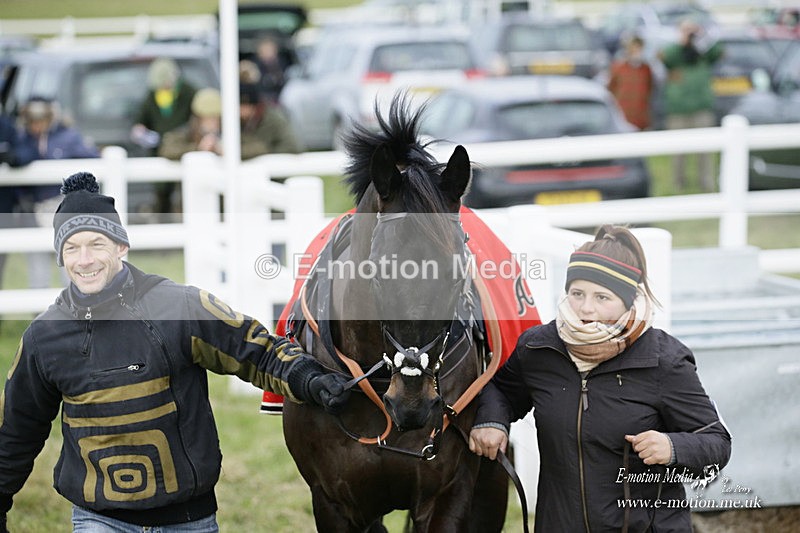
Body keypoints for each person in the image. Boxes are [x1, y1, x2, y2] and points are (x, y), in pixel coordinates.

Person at [0, 172, 350, 532]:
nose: (84, 259)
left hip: (187, 519)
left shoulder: (178, 306)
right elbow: (16, 428)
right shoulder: (44, 337)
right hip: (98, 519)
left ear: (121, 246)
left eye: (96, 244)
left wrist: (309, 378)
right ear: (61, 256)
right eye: (72, 248)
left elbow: (255, 352)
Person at [469, 225, 731, 532]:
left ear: (628, 300)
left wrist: (672, 447)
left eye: (602, 297)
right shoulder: (539, 348)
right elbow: (500, 390)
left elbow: (717, 443)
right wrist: (492, 420)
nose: (586, 308)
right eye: (577, 293)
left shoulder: (664, 360)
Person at [15, 97, 100, 289]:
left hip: (64, 209)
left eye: (41, 118)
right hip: (32, 210)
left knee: (71, 266)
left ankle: (75, 315)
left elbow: (93, 161)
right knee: (38, 271)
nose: (37, 125)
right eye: (32, 120)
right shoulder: (22, 139)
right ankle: (41, 316)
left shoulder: (68, 137)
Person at [659, 19, 724, 192]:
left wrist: (702, 37)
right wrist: (682, 42)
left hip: (701, 108)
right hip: (678, 109)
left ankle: (707, 182)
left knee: (705, 150)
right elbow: (665, 58)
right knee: (678, 150)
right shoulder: (675, 52)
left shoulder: (702, 53)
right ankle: (678, 183)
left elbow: (719, 52)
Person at [159, 84, 300, 161]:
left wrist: (224, 150)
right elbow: (167, 149)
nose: (211, 122)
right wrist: (198, 149)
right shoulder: (188, 133)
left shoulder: (231, 132)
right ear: (197, 118)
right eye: (206, 118)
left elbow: (259, 147)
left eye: (215, 117)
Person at [131, 57, 198, 219]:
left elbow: (196, 119)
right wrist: (141, 132)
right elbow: (141, 120)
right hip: (159, 150)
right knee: (161, 193)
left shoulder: (189, 93)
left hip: (183, 149)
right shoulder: (152, 96)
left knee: (187, 192)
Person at [607, 35, 654, 131]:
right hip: (624, 118)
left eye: (639, 48)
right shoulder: (619, 68)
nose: (636, 51)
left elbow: (649, 88)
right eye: (633, 48)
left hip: (641, 117)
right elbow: (611, 88)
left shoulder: (646, 69)